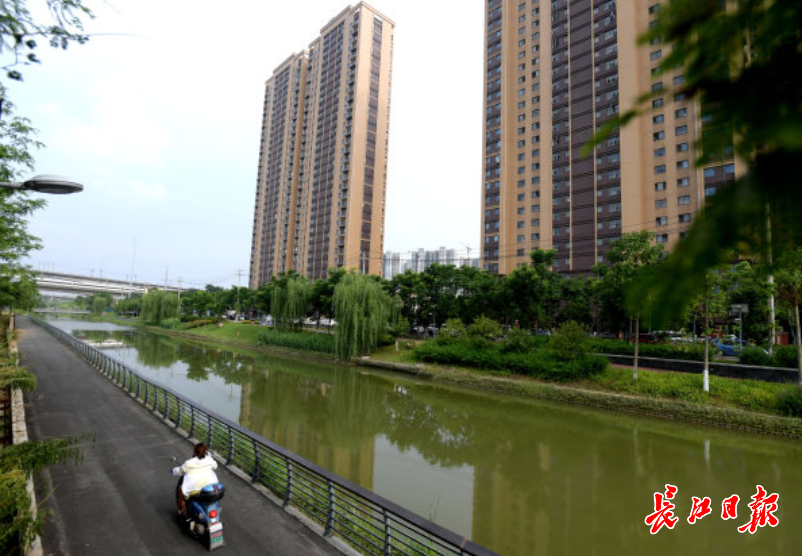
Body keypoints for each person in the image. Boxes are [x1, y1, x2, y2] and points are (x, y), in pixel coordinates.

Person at [173, 442, 219, 519]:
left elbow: (179, 471)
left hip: (196, 489)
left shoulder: (189, 463)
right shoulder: (209, 460)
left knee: (180, 489)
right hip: (210, 487)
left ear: (194, 451)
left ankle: (184, 512)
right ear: (205, 451)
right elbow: (215, 466)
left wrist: (174, 470)